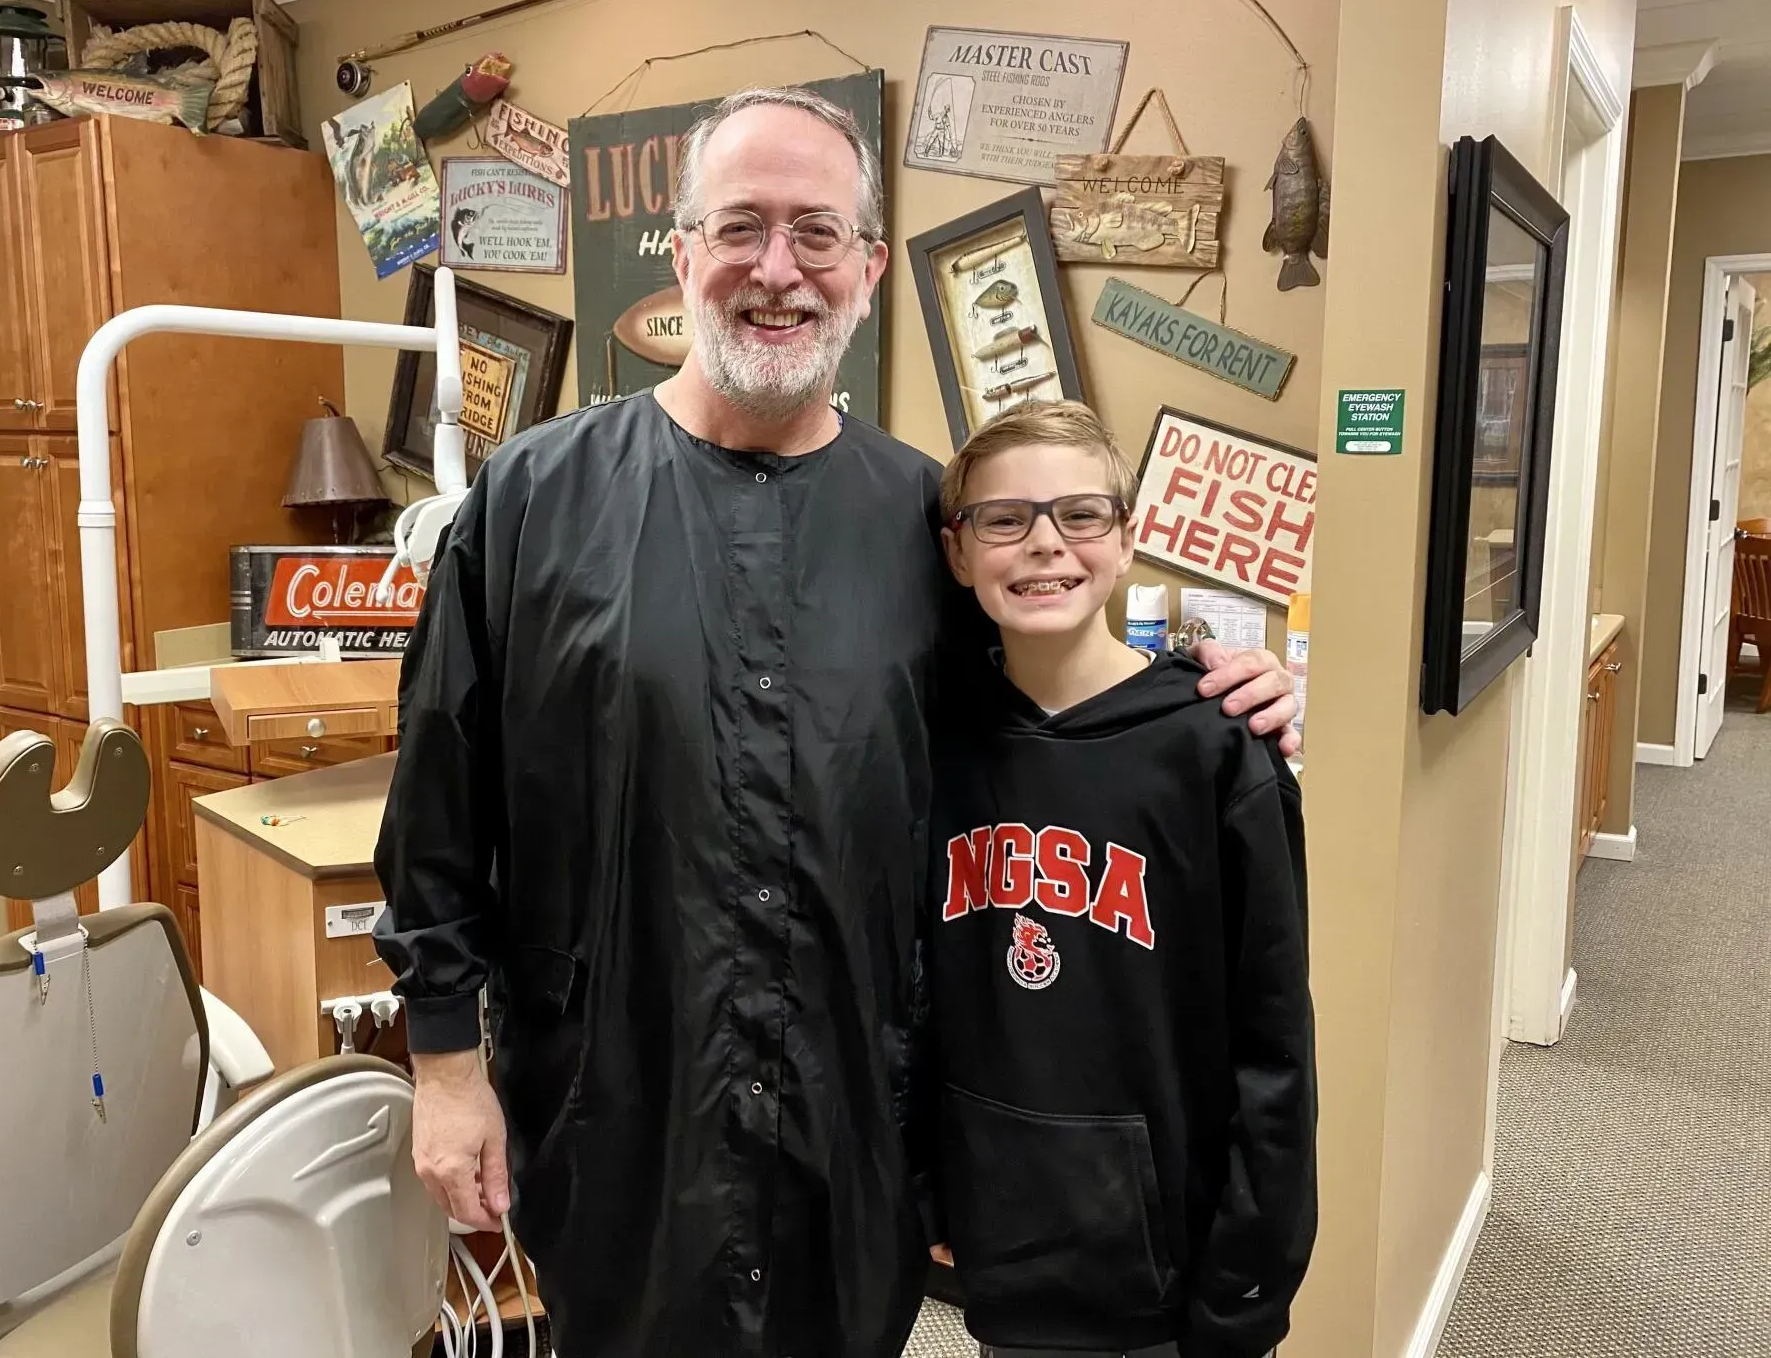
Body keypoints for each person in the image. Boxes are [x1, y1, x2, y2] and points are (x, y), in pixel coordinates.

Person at [371, 85, 1301, 1358]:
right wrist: (443, 1066)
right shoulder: (534, 503)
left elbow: (1043, 724)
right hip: (618, 1101)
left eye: (818, 234)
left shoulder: (925, 522)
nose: (777, 269)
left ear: (866, 269)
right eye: (741, 227)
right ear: (684, 252)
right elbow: (437, 805)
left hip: (854, 1110)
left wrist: (1206, 685)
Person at [925, 401, 1317, 1358]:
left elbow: (1273, 1044)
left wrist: (1249, 1287)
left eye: (1081, 515)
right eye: (1004, 519)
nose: (1045, 544)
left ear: (1129, 540)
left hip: (1165, 1272)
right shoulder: (928, 738)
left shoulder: (1218, 748)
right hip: (1004, 1247)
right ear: (958, 551)